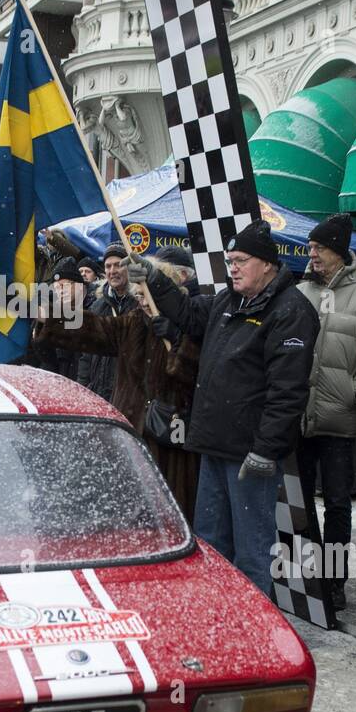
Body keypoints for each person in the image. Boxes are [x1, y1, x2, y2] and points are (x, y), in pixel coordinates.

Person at [137, 220, 319, 597]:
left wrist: (266, 450)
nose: (232, 267)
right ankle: (218, 624)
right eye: (229, 260)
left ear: (267, 264)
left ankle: (254, 639)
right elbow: (187, 315)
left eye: (241, 260)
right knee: (211, 546)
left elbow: (287, 392)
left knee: (252, 552)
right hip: (213, 445)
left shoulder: (290, 310)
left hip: (249, 454)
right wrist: (154, 278)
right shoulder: (228, 299)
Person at [34, 257, 200, 519]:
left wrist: (178, 342)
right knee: (131, 511)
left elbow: (191, 379)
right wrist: (50, 316)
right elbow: (94, 327)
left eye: (149, 295)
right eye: (139, 296)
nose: (144, 302)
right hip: (133, 430)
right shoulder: (133, 321)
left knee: (170, 513)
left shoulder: (190, 327)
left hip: (171, 438)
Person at [295, 214, 356, 611]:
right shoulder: (298, 292)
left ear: (339, 252)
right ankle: (307, 573)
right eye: (311, 248)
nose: (312, 254)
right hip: (298, 416)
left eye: (319, 248)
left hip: (340, 418)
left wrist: (355, 391)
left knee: (337, 504)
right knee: (299, 502)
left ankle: (334, 583)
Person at [76, 243, 137, 403]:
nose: (112, 271)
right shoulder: (97, 307)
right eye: (108, 266)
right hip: (98, 393)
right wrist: (83, 389)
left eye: (118, 265)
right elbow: (86, 354)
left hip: (128, 397)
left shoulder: (142, 304)